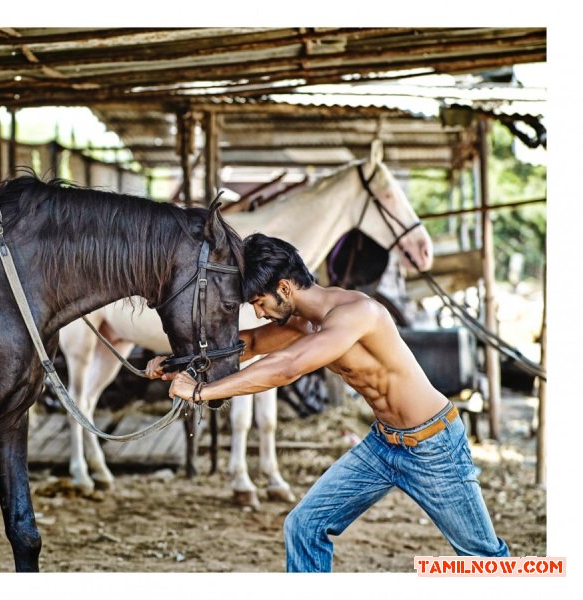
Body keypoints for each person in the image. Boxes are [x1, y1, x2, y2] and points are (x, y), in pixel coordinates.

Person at [146, 232, 508, 572]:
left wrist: (201, 392)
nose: (258, 313)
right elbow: (251, 344)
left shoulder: (357, 314)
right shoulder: (304, 321)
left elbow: (286, 367)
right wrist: (178, 360)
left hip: (433, 445)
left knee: (483, 560)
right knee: (304, 526)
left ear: (284, 288)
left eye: (259, 303)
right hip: (383, 446)